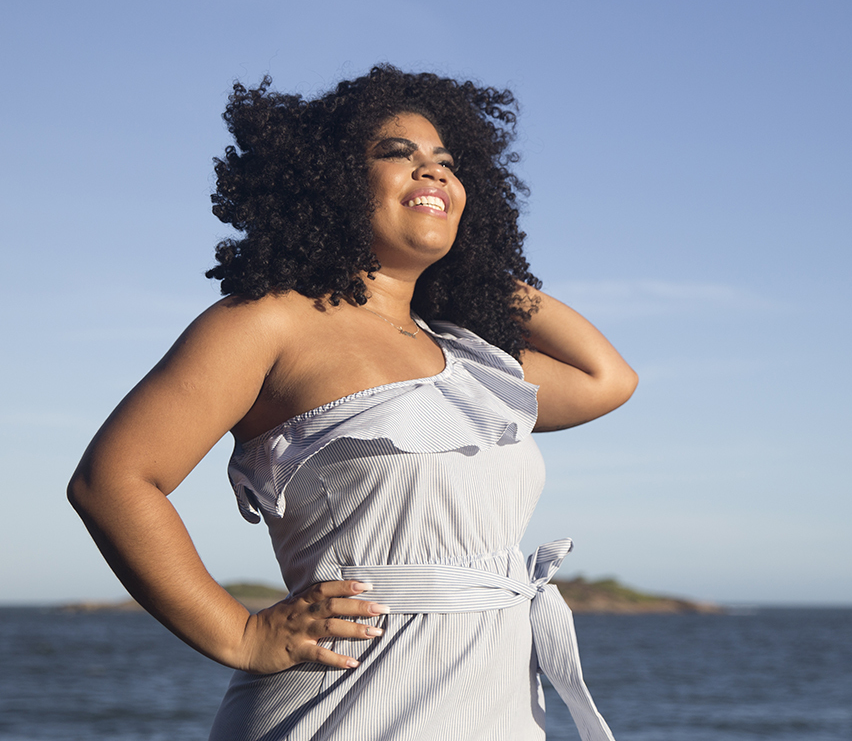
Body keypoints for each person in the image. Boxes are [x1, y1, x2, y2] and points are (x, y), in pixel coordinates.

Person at [67, 65, 637, 741]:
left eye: (448, 166)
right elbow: (113, 481)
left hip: (500, 708)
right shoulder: (268, 322)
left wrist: (478, 272)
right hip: (342, 706)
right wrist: (241, 634)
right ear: (331, 182)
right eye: (399, 155)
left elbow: (607, 378)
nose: (434, 175)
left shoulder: (471, 357)